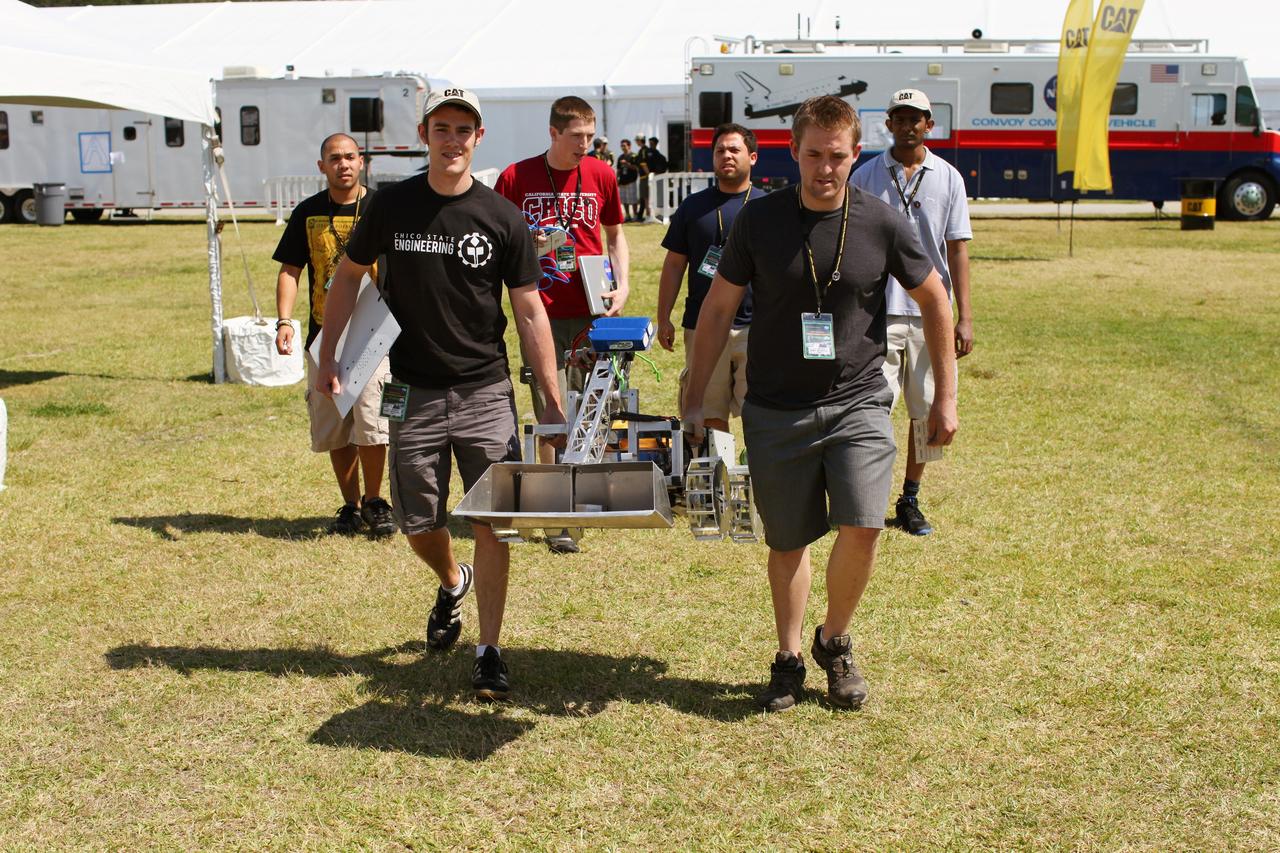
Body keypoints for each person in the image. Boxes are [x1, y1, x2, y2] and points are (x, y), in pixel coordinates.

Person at [684, 95, 957, 713]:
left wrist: (945, 397)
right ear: (794, 152)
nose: (825, 169)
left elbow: (936, 300)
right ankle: (788, 655)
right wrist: (696, 398)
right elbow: (718, 309)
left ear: (856, 153)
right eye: (814, 155)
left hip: (858, 398)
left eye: (838, 156)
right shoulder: (761, 220)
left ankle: (834, 641)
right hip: (776, 406)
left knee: (863, 525)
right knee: (788, 540)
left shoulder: (882, 222)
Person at [318, 88, 566, 702]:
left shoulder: (503, 217)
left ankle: (489, 651)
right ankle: (452, 579)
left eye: (464, 129)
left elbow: (531, 312)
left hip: (485, 391)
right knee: (416, 521)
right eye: (442, 128)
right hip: (413, 392)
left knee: (494, 522)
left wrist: (552, 402)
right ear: (425, 133)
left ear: (478, 138)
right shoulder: (392, 206)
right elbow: (350, 275)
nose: (453, 139)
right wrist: (330, 351)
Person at [494, 95, 630, 553]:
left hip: (592, 310)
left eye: (590, 137)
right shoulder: (515, 177)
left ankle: (587, 502)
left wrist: (623, 285)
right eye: (577, 137)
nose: (585, 146)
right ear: (553, 133)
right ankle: (555, 517)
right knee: (550, 410)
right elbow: (496, 240)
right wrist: (524, 242)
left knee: (592, 408)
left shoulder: (601, 174)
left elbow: (615, 235)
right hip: (540, 310)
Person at [850, 88, 973, 536]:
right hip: (876, 312)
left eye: (915, 119)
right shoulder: (865, 176)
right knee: (872, 410)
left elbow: (957, 250)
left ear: (929, 124)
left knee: (925, 414)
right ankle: (868, 498)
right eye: (899, 118)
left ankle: (911, 499)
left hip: (929, 314)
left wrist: (965, 316)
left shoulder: (949, 178)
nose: (907, 126)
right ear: (888, 123)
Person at [272, 132, 395, 537]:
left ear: (362, 163)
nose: (343, 164)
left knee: (372, 421)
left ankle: (377, 501)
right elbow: (290, 270)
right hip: (325, 336)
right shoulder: (308, 213)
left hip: (374, 334)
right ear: (321, 166)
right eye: (334, 158)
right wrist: (285, 321)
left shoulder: (381, 207)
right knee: (335, 424)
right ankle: (351, 504)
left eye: (350, 157)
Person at [656, 123, 759, 433]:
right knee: (709, 415)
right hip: (702, 324)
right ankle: (720, 478)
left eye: (734, 150)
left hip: (756, 326)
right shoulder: (693, 207)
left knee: (760, 412)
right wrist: (664, 318)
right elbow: (674, 265)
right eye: (719, 150)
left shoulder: (769, 206)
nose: (726, 155)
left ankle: (759, 477)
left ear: (752, 157)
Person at [616, 138, 641, 221]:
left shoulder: (634, 156)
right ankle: (627, 215)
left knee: (633, 199)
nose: (622, 147)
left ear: (629, 146)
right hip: (622, 181)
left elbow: (637, 168)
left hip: (631, 181)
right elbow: (618, 170)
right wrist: (616, 180)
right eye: (621, 146)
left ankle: (635, 215)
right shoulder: (620, 157)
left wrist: (627, 164)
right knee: (624, 200)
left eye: (624, 145)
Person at [633, 134, 651, 220]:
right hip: (644, 177)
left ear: (640, 140)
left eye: (636, 140)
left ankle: (647, 214)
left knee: (645, 196)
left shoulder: (643, 151)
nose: (636, 142)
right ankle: (643, 214)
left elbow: (643, 163)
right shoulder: (645, 150)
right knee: (644, 196)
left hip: (645, 177)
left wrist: (648, 175)